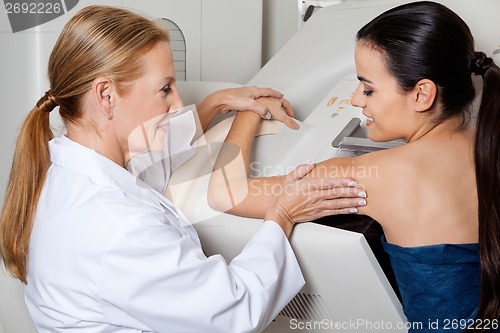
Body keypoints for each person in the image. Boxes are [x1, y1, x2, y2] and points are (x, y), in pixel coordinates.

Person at [0, 5, 368, 333]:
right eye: (165, 89)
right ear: (106, 95)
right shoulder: (118, 229)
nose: (178, 102)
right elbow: (235, 310)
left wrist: (217, 105)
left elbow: (145, 167)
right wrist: (283, 214)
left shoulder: (63, 165)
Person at [208, 1, 500, 331]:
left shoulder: (378, 175)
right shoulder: (491, 143)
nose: (356, 100)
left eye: (368, 88)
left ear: (422, 94)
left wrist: (250, 111)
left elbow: (225, 194)